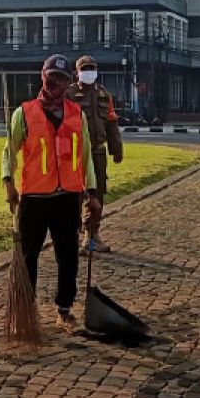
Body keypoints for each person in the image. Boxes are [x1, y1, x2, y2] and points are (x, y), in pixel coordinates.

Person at [1, 54, 102, 327]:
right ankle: (26, 310)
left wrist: (92, 193)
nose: (56, 84)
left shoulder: (75, 113)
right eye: (52, 77)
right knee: (28, 256)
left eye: (62, 79)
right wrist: (8, 181)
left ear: (69, 82)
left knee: (68, 256)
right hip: (34, 197)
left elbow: (85, 157)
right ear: (43, 76)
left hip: (67, 197)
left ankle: (64, 308)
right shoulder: (24, 113)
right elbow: (9, 150)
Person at [66, 55, 124, 252]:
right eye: (85, 68)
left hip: (98, 152)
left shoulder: (104, 95)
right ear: (77, 72)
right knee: (74, 196)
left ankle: (92, 236)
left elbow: (111, 122)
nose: (89, 71)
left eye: (92, 68)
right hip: (75, 153)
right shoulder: (70, 95)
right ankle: (73, 236)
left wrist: (117, 149)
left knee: (97, 195)